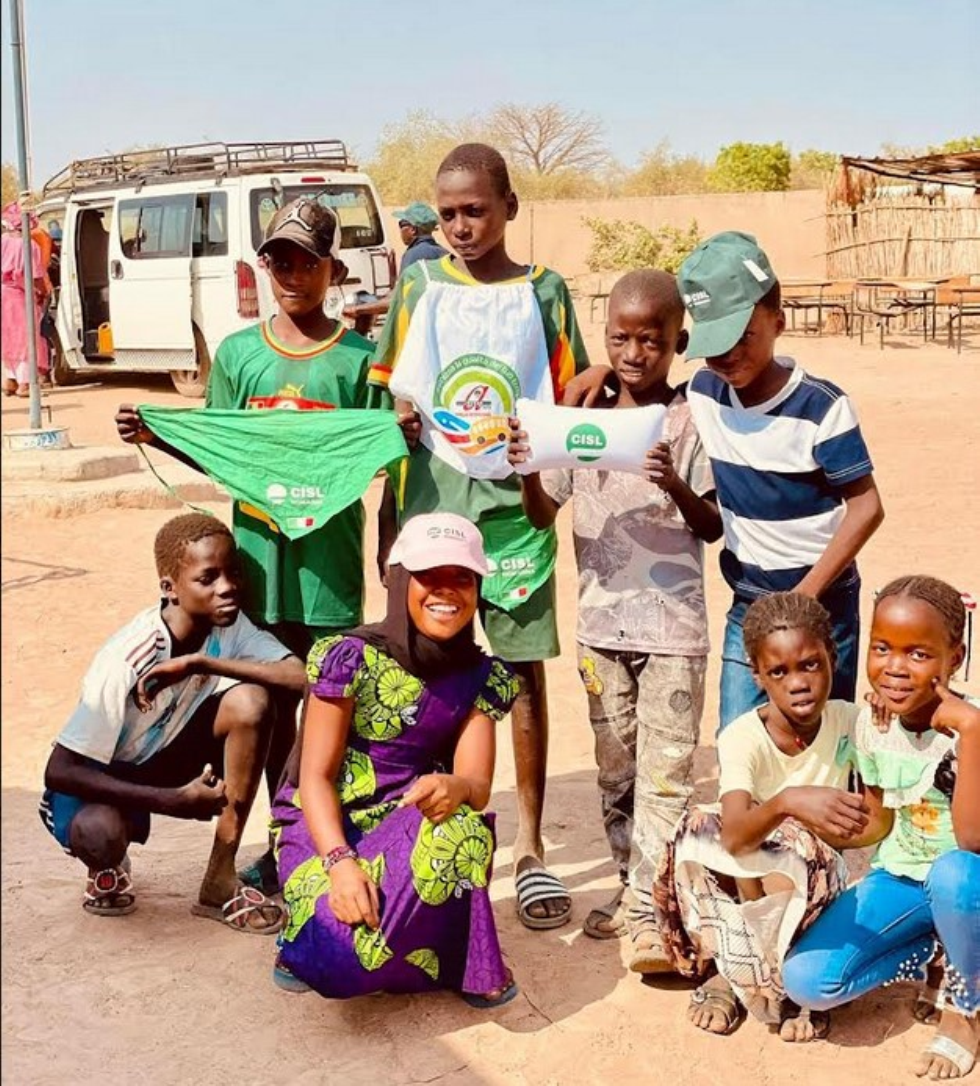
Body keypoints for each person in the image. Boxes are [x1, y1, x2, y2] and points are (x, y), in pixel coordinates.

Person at [116, 198, 413, 895]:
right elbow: (221, 450)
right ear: (263, 265)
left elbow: (380, 452)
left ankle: (303, 850)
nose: (291, 273)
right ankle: (248, 853)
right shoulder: (240, 356)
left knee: (327, 714)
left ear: (332, 269)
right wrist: (159, 432)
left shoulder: (360, 362)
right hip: (254, 571)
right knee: (259, 714)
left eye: (306, 260)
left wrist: (403, 430)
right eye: (278, 258)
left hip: (327, 574)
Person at [368, 143, 592, 931]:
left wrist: (552, 472)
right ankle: (430, 825)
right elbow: (384, 393)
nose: (460, 226)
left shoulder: (547, 293)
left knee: (522, 673)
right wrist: (386, 515)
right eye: (447, 213)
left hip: (516, 510)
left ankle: (531, 847)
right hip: (432, 497)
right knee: (425, 665)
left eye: (475, 211)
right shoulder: (419, 285)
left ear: (509, 208)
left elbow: (571, 397)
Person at [508, 269, 721, 969]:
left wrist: (675, 483)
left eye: (651, 341)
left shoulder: (691, 423)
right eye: (620, 339)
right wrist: (527, 469)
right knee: (616, 771)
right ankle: (633, 883)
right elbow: (545, 515)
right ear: (604, 339)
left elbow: (713, 526)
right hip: (601, 633)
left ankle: (651, 913)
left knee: (666, 774)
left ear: (677, 342)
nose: (633, 354)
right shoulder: (581, 424)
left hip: (674, 632)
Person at [270, 513, 521, 1006]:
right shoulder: (350, 658)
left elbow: (477, 783)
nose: (446, 592)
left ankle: (464, 961)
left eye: (462, 578)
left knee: (463, 829)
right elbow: (314, 779)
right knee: (342, 956)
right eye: (430, 576)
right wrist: (340, 864)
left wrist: (456, 787)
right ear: (401, 579)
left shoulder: (480, 677)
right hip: (325, 825)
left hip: (406, 822)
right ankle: (302, 937)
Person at [38, 513, 306, 932]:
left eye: (232, 573)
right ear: (169, 588)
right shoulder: (129, 656)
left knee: (251, 702)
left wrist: (201, 662)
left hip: (162, 756)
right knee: (99, 834)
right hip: (101, 777)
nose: (228, 587)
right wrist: (170, 800)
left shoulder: (231, 628)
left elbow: (301, 677)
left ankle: (220, 877)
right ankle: (106, 864)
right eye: (208, 578)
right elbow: (60, 769)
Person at [653, 592, 889, 1040]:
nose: (797, 683)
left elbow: (877, 823)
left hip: (814, 879)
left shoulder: (850, 722)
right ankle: (730, 970)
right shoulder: (743, 736)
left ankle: (787, 986)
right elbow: (737, 838)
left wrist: (883, 730)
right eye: (778, 672)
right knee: (697, 829)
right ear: (758, 674)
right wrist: (788, 802)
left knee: (797, 851)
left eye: (810, 665)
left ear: (832, 659)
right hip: (749, 876)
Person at [676, 231, 885, 732]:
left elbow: (867, 507)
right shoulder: (704, 392)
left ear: (778, 321)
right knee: (738, 737)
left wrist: (807, 597)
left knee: (822, 743)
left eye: (742, 336)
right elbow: (644, 391)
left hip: (824, 603)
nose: (727, 356)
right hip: (749, 602)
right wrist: (599, 376)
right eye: (714, 343)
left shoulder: (821, 408)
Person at [784, 576, 979, 1080]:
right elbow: (878, 821)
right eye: (882, 649)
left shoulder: (972, 727)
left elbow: (971, 842)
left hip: (968, 884)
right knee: (807, 982)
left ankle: (965, 1007)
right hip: (903, 879)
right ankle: (934, 956)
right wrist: (808, 825)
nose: (894, 667)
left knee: (955, 874)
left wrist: (973, 733)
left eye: (918, 654)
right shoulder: (874, 723)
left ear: (954, 659)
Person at [1, 202, 49, 397]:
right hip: (20, 295)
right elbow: (35, 276)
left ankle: (10, 380)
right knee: (25, 338)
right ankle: (25, 384)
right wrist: (42, 292)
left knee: (7, 337)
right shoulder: (29, 245)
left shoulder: (2, 241)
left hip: (3, 294)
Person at [393, 201, 447, 273]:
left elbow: (406, 283)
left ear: (413, 229)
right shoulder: (443, 252)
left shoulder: (413, 255)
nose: (400, 230)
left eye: (402, 225)